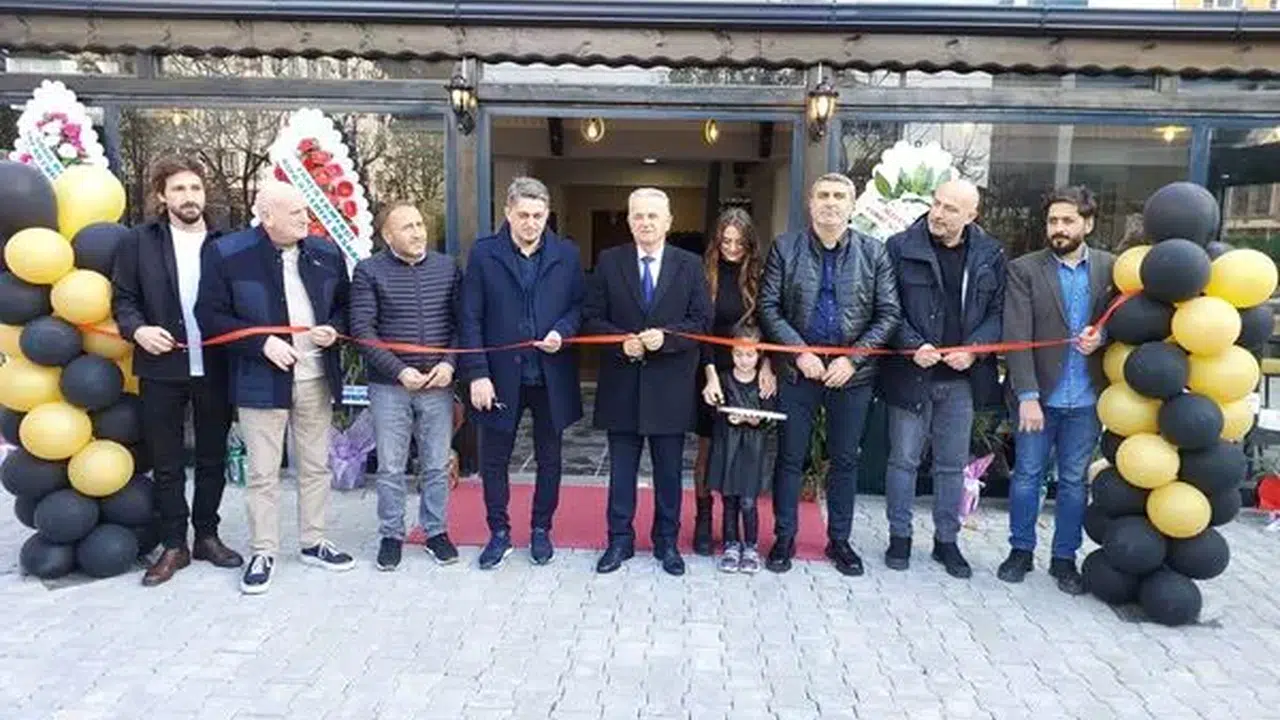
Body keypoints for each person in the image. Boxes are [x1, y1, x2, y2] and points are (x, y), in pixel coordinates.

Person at [196, 181, 355, 594]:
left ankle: (314, 541)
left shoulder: (325, 252)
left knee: (315, 465)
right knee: (263, 472)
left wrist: (333, 329)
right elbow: (209, 316)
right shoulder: (228, 253)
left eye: (305, 210)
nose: (305, 218)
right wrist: (260, 343)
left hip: (315, 377)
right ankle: (263, 551)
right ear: (266, 217)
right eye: (295, 212)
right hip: (260, 380)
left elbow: (346, 306)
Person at [758, 173, 901, 576]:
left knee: (844, 461)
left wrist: (852, 360)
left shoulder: (874, 252)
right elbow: (769, 307)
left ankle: (839, 541)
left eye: (840, 196)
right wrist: (800, 352)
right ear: (810, 203)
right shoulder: (785, 248)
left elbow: (889, 314)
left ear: (852, 206)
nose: (831, 202)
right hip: (798, 372)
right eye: (823, 195)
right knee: (790, 458)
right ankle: (784, 538)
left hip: (850, 376)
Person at [112, 155, 243, 586]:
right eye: (179, 189)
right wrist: (138, 330)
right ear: (161, 196)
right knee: (167, 461)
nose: (189, 197)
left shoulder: (227, 242)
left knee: (212, 457)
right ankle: (174, 544)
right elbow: (123, 299)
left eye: (195, 188)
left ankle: (206, 536)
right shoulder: (138, 241)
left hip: (216, 365)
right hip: (161, 365)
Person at [582, 187, 712, 576]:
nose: (645, 222)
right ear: (629, 221)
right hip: (622, 385)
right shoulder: (609, 261)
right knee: (621, 473)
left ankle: (666, 542)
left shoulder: (690, 265)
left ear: (668, 221)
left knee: (669, 474)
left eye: (653, 215)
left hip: (670, 389)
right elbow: (591, 318)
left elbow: (701, 322)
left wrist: (667, 339)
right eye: (638, 215)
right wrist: (620, 342)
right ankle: (618, 541)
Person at [880, 179, 1006, 579]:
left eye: (950, 209)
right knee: (903, 461)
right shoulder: (900, 247)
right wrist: (912, 344)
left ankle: (946, 541)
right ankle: (899, 537)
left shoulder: (990, 254)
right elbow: (887, 307)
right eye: (936, 203)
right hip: (910, 373)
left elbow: (999, 313)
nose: (938, 213)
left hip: (961, 380)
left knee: (952, 465)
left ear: (971, 215)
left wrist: (974, 349)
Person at [461, 177, 585, 569]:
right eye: (523, 215)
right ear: (508, 213)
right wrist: (477, 373)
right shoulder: (484, 254)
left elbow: (579, 307)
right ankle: (498, 532)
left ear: (547, 215)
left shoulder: (567, 254)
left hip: (550, 375)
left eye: (538, 216)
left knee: (551, 458)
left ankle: (541, 529)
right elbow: (470, 317)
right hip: (499, 376)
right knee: (494, 460)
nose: (531, 223)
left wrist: (562, 332)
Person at [1000, 185, 1115, 595]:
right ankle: (1020, 551)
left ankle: (1064, 558)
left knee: (1073, 482)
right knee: (1027, 477)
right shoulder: (1024, 269)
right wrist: (1027, 397)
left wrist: (1102, 338)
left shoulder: (1111, 269)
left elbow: (1124, 322)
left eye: (1068, 220)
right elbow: (1016, 336)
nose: (1059, 228)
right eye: (1053, 221)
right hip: (1039, 398)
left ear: (1088, 223)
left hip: (1087, 398)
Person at [349, 201, 462, 572]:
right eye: (407, 227)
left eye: (420, 225)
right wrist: (399, 371)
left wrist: (449, 363)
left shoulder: (447, 268)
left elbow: (462, 323)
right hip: (390, 386)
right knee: (391, 466)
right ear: (387, 236)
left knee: (436, 463)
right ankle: (391, 535)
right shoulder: (369, 271)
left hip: (438, 384)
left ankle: (436, 531)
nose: (418, 233)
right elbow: (362, 330)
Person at [692, 207, 775, 556]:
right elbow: (700, 328)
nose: (731, 248)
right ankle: (702, 519)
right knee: (708, 448)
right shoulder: (703, 273)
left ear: (750, 244)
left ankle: (741, 527)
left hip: (749, 369)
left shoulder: (760, 274)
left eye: (739, 243)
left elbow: (769, 323)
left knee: (743, 445)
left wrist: (767, 364)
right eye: (725, 241)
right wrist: (710, 375)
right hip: (710, 369)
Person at [705, 323, 776, 575]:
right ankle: (731, 545)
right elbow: (714, 411)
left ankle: (751, 547)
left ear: (759, 354)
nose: (744, 360)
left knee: (748, 501)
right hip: (728, 447)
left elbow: (770, 415)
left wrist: (757, 420)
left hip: (752, 451)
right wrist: (726, 416)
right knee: (729, 500)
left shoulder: (764, 381)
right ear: (731, 352)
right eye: (738, 354)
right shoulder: (724, 379)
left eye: (749, 354)